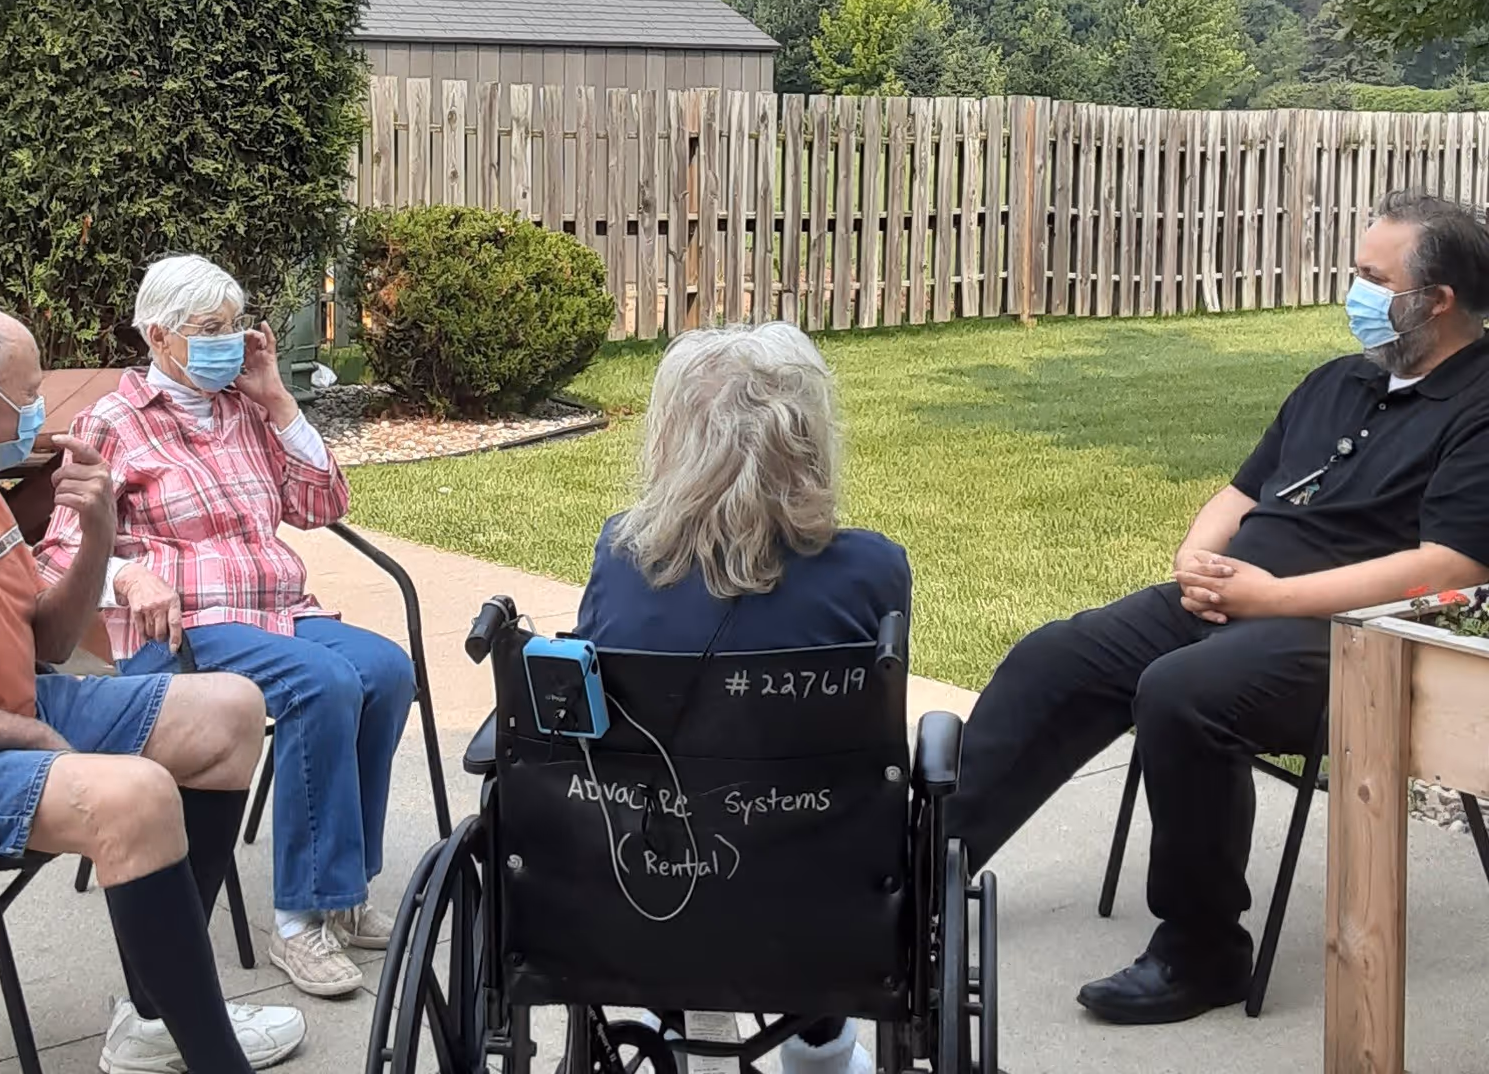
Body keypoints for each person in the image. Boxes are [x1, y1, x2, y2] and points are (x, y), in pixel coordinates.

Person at [946, 189, 1489, 1026]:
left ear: (1438, 300)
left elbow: (1446, 565)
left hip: (1354, 640)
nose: (1355, 294)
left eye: (1372, 279)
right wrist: (1199, 557)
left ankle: (1201, 953)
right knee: (1055, 654)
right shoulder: (1339, 382)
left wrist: (1270, 595)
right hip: (1236, 599)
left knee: (1183, 692)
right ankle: (917, 879)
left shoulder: (1480, 408)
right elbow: (1240, 491)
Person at [0, 305, 306, 1074]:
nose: (39, 415)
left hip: (12, 709)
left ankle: (155, 1017)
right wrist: (23, 734)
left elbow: (46, 642)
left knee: (231, 710)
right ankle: (213, 1053)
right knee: (134, 798)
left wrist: (100, 533)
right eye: (28, 394)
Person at [34, 256, 414, 999]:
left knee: (385, 670)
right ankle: (302, 920)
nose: (228, 342)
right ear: (158, 335)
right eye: (208, 330)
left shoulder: (244, 408)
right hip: (183, 625)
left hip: (279, 612)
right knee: (323, 683)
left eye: (234, 326)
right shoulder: (114, 421)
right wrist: (128, 572)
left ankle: (344, 894)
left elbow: (321, 504)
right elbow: (58, 549)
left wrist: (278, 400)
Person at [575, 322, 911, 1074]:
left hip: (639, 883)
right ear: (808, 441)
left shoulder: (620, 561)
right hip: (817, 891)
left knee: (650, 794)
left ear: (670, 442)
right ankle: (820, 1047)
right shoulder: (872, 572)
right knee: (836, 819)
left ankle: (665, 1021)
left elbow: (591, 726)